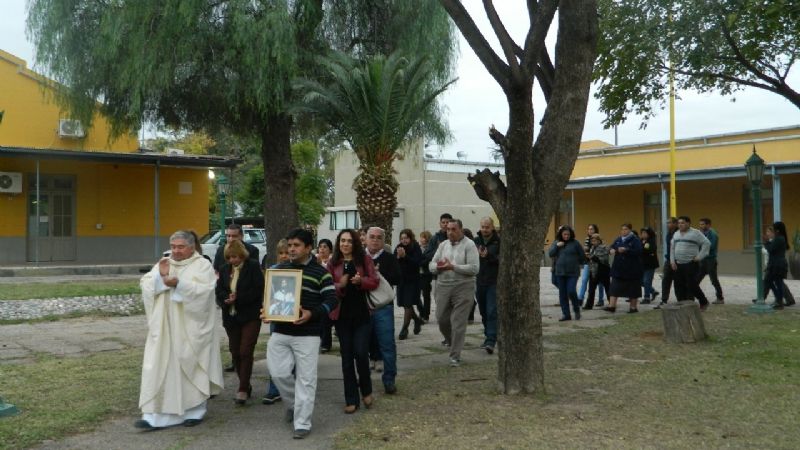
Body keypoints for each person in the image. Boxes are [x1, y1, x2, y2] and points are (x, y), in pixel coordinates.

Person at [135, 230, 223, 430]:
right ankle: (154, 417)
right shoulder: (164, 262)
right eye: (173, 246)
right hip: (165, 328)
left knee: (189, 367)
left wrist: (179, 284)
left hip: (190, 329)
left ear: (192, 247)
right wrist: (160, 278)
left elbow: (205, 292)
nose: (176, 251)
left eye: (181, 247)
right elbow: (146, 284)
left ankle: (194, 411)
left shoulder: (202, 265)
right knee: (159, 368)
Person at [263, 228, 337, 440]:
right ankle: (294, 405)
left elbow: (332, 300)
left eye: (296, 245)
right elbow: (271, 298)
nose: (292, 249)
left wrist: (312, 314)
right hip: (281, 331)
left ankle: (302, 423)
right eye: (290, 245)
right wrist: (268, 311)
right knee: (278, 373)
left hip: (308, 334)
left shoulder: (320, 272)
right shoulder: (279, 270)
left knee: (306, 379)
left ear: (307, 248)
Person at [327, 229, 379, 413]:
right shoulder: (332, 263)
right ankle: (351, 398)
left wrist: (361, 281)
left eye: (349, 241)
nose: (345, 244)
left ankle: (366, 389)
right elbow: (326, 285)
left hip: (362, 315)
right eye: (342, 241)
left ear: (355, 243)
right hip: (341, 316)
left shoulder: (364, 259)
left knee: (361, 353)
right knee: (347, 358)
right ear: (338, 243)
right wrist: (339, 285)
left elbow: (374, 281)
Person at [215, 240, 264, 405]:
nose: (232, 260)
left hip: (250, 315)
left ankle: (242, 389)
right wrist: (225, 299)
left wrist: (239, 298)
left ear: (242, 255)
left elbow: (258, 289)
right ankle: (245, 383)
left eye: (235, 257)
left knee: (245, 351)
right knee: (235, 352)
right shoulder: (224, 269)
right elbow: (219, 290)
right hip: (231, 316)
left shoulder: (253, 266)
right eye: (229, 257)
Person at [429, 219, 479, 367]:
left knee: (458, 322)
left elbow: (474, 268)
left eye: (453, 229)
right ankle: (452, 341)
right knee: (441, 319)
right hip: (443, 285)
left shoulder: (469, 245)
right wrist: (438, 267)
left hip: (464, 286)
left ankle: (455, 356)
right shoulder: (443, 245)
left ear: (461, 230)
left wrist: (453, 267)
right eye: (448, 229)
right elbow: (431, 264)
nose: (450, 232)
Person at [365, 226, 401, 394]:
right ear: (365, 238)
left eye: (379, 237)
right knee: (361, 346)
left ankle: (389, 379)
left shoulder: (389, 258)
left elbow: (397, 278)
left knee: (387, 344)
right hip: (362, 307)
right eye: (371, 236)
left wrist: (378, 274)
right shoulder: (359, 257)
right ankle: (363, 381)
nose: (375, 240)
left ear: (383, 241)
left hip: (383, 307)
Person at [263, 239, 289, 405]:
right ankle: (273, 390)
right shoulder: (272, 271)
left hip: (295, 319)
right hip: (277, 318)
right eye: (281, 253)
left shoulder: (300, 271)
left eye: (287, 252)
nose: (284, 256)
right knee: (276, 355)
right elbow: (268, 295)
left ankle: (290, 389)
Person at [670, 216, 711, 310]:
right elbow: (672, 248)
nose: (680, 225)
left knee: (691, 285)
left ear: (688, 223)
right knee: (678, 286)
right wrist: (672, 261)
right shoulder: (676, 234)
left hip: (691, 263)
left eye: (683, 223)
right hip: (678, 264)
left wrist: (699, 257)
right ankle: (681, 304)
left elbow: (707, 244)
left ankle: (703, 301)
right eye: (679, 223)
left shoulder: (696, 233)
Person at [604, 223, 644, 313]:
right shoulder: (618, 239)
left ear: (630, 230)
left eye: (625, 229)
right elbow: (612, 246)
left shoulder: (635, 240)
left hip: (632, 269)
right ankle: (612, 306)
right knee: (614, 288)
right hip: (618, 269)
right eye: (622, 229)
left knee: (633, 289)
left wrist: (627, 250)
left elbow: (639, 251)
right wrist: (611, 250)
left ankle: (633, 307)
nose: (623, 231)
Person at [474, 217, 500, 354]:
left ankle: (491, 340)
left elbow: (502, 259)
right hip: (479, 281)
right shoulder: (475, 241)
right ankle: (488, 335)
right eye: (483, 227)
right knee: (483, 311)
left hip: (493, 281)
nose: (484, 229)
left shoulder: (498, 241)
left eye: (487, 227)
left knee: (491, 311)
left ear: (492, 227)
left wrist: (488, 256)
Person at [548, 225, 585, 321]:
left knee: (571, 290)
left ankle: (576, 309)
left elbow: (582, 256)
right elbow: (550, 253)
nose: (566, 236)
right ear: (561, 234)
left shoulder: (575, 243)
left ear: (571, 234)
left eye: (568, 234)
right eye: (564, 234)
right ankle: (566, 314)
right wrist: (557, 246)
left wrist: (579, 264)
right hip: (560, 272)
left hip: (573, 272)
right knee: (562, 294)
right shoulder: (556, 243)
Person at [394, 228, 424, 340]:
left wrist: (405, 257)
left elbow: (417, 263)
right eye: (402, 238)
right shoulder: (398, 247)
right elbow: (394, 262)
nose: (404, 240)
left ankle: (404, 329)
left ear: (410, 238)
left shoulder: (415, 247)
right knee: (404, 303)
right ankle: (417, 320)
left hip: (413, 280)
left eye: (406, 238)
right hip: (402, 280)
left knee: (408, 304)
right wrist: (397, 257)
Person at [697, 218, 725, 304]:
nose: (701, 226)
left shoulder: (713, 234)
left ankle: (720, 298)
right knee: (696, 279)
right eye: (700, 224)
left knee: (714, 280)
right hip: (702, 260)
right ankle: (690, 296)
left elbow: (711, 246)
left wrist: (700, 246)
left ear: (708, 225)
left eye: (703, 224)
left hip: (710, 260)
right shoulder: (701, 233)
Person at [764, 222, 790, 309]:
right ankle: (779, 300)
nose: (773, 231)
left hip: (778, 264)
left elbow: (770, 249)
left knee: (777, 283)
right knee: (770, 281)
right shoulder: (780, 238)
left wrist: (766, 242)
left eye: (774, 229)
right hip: (776, 264)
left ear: (777, 230)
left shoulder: (779, 239)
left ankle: (779, 302)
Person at [655, 217, 679, 309]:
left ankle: (680, 300)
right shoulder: (669, 234)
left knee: (678, 281)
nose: (668, 224)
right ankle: (664, 300)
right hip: (668, 260)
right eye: (667, 223)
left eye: (669, 223)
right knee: (666, 280)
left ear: (675, 224)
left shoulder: (678, 233)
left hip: (677, 261)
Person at [316, 239, 335, 353]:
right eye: (320, 247)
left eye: (325, 247)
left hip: (329, 293)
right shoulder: (314, 259)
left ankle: (326, 343)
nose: (322, 249)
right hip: (317, 293)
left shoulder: (333, 262)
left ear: (330, 250)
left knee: (326, 319)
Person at [583, 233, 610, 310]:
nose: (593, 242)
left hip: (603, 270)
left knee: (607, 288)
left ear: (599, 240)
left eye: (595, 240)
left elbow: (602, 260)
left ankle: (612, 303)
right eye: (592, 241)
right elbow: (591, 260)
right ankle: (589, 305)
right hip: (594, 270)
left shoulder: (603, 247)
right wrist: (587, 257)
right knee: (591, 289)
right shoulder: (592, 248)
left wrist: (590, 256)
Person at [577, 224, 601, 303]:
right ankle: (580, 298)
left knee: (600, 282)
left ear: (595, 230)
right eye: (589, 229)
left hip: (597, 263)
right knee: (584, 280)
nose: (590, 231)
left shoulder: (599, 238)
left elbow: (600, 250)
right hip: (587, 262)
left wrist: (589, 249)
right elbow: (586, 249)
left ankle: (601, 299)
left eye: (592, 229)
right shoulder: (587, 239)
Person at [639, 226, 660, 304]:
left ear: (649, 234)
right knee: (640, 281)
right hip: (642, 264)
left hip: (650, 264)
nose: (643, 234)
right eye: (642, 233)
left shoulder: (651, 241)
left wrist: (643, 247)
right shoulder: (640, 240)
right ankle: (653, 291)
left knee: (647, 281)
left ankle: (646, 297)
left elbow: (649, 250)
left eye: (645, 233)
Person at [418, 230, 434, 321]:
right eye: (421, 237)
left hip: (426, 274)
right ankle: (421, 311)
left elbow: (428, 260)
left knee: (426, 295)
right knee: (416, 295)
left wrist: (420, 262)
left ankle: (426, 314)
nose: (421, 239)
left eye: (423, 237)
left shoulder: (430, 249)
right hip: (417, 274)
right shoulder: (418, 248)